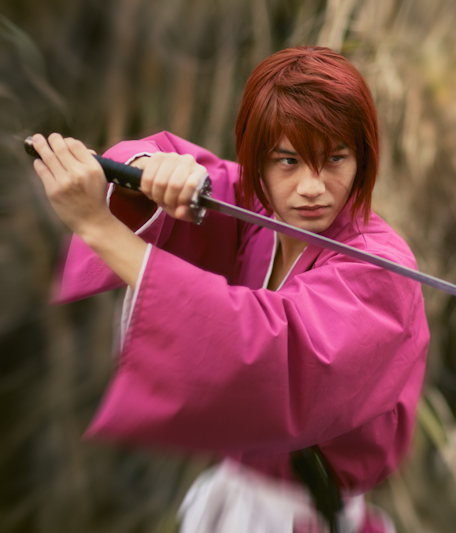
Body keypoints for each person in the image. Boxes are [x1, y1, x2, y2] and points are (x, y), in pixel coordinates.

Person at [30, 46, 429, 532]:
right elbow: (186, 169)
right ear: (257, 160)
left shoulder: (381, 268)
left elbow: (271, 351)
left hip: (310, 518)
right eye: (288, 161)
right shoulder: (257, 209)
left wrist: (101, 229)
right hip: (235, 499)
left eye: (335, 159)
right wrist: (150, 171)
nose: (312, 187)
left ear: (362, 159)